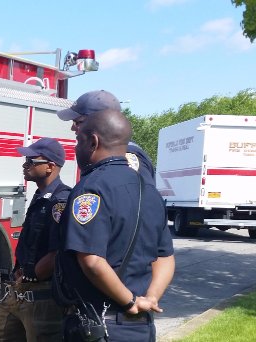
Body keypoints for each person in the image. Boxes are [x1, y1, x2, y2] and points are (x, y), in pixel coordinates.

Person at [54, 109, 175, 341]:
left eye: (79, 141)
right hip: (141, 327)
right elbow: (165, 257)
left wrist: (130, 301)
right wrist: (150, 298)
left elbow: (92, 261)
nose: (76, 148)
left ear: (93, 142)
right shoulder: (149, 190)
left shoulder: (91, 189)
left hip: (100, 326)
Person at [0, 138, 71, 342]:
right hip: (19, 293)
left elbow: (57, 252)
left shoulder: (60, 201)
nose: (25, 165)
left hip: (42, 299)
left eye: (31, 161)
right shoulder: (41, 196)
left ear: (50, 167)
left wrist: (30, 275)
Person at [57, 89, 156, 186]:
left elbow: (132, 194)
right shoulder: (107, 154)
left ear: (100, 121)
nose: (73, 128)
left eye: (78, 122)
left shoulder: (128, 157)